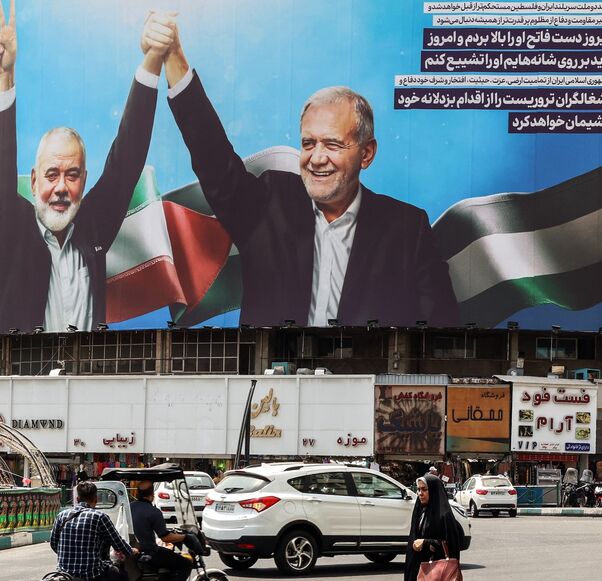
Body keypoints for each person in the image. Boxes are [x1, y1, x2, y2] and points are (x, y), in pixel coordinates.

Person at [154, 16, 459, 327]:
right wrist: (174, 56)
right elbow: (213, 158)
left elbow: (440, 329)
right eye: (308, 143)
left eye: (332, 145)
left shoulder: (408, 229)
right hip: (274, 375)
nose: (316, 158)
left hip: (363, 375)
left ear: (366, 153)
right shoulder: (267, 203)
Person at [0, 2, 172, 333]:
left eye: (72, 175)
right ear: (34, 182)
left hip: (87, 380)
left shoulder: (93, 227)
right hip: (21, 382)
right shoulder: (13, 228)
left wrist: (152, 59)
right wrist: (5, 76)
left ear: (84, 181)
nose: (61, 187)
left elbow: (127, 157)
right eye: (52, 175)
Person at [50, 481, 136, 581]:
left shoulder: (62, 515)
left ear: (77, 499)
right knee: (120, 574)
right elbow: (118, 544)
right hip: (91, 575)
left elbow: (54, 543)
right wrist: (131, 551)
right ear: (96, 499)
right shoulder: (99, 517)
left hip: (63, 574)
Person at [130, 480, 193, 581]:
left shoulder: (130, 507)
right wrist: (185, 537)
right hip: (150, 552)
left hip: (133, 551)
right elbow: (165, 537)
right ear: (152, 494)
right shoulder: (154, 512)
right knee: (185, 564)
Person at [404, 474, 461, 581]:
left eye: (424, 490)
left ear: (434, 491)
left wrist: (426, 542)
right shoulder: (420, 511)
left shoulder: (444, 516)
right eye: (418, 489)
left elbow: (451, 545)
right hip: (419, 569)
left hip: (437, 572)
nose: (420, 494)